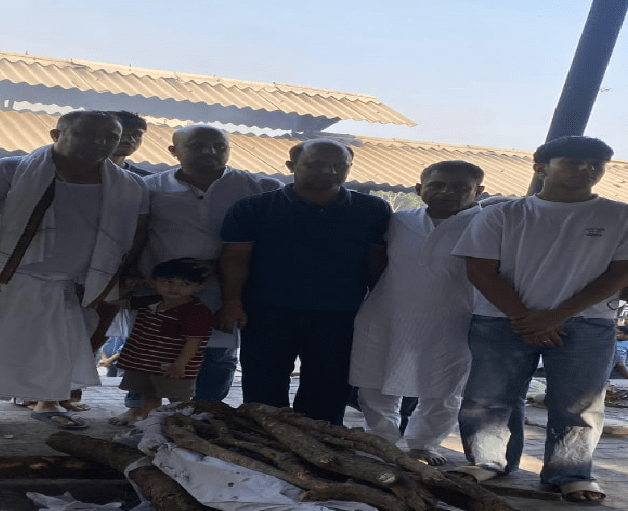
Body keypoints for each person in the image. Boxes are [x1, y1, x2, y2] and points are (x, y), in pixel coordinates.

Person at [451, 135, 628, 502]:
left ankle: (571, 473)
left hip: (587, 322)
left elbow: (623, 273)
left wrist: (555, 316)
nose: (586, 170)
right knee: (489, 398)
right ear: (541, 167)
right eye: (572, 162)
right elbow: (481, 271)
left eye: (596, 164)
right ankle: (488, 461)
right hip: (502, 320)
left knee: (579, 403)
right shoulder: (501, 214)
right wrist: (524, 317)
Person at [0, 111, 149, 434]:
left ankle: (49, 402)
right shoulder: (8, 170)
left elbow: (136, 234)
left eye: (110, 138)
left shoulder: (130, 185)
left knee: (60, 346)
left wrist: (121, 276)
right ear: (55, 134)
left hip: (80, 282)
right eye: (87, 135)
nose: (100, 143)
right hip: (9, 276)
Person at [115, 125, 282, 421]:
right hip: (160, 288)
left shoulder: (259, 187)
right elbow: (133, 234)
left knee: (218, 352)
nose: (210, 152)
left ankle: (206, 412)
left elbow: (273, 241)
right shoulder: (149, 187)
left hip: (226, 289)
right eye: (197, 146)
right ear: (174, 151)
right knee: (150, 347)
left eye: (219, 146)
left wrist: (219, 267)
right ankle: (139, 410)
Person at [220, 139, 392, 425]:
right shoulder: (254, 208)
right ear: (292, 166)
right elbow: (235, 258)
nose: (329, 171)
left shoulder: (373, 209)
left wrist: (381, 309)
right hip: (267, 310)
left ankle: (319, 446)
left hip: (341, 313)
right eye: (316, 164)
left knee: (329, 389)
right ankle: (265, 441)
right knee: (263, 387)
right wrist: (231, 302)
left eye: (339, 165)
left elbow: (378, 264)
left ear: (350, 167)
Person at [350, 160, 485, 465]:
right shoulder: (399, 220)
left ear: (478, 191)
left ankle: (422, 444)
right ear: (419, 189)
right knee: (374, 382)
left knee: (444, 387)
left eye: (460, 187)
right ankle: (382, 439)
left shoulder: (486, 224)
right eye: (437, 185)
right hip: (387, 312)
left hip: (454, 318)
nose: (447, 192)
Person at [114, 258, 213, 417]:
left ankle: (184, 426)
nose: (175, 288)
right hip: (145, 364)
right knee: (149, 394)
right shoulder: (150, 302)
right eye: (167, 282)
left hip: (173, 367)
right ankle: (149, 425)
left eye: (185, 284)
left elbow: (193, 342)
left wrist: (180, 364)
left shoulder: (196, 312)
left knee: (179, 400)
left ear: (197, 287)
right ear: (153, 282)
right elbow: (120, 302)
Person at [110, 111, 152, 176]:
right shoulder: (92, 175)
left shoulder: (146, 179)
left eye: (136, 134)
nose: (130, 139)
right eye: (121, 133)